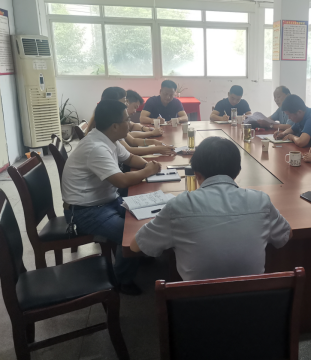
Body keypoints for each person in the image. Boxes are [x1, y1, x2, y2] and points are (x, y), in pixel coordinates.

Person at [130, 136, 292, 280]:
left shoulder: (178, 205)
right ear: (237, 172)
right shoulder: (261, 200)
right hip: (254, 301)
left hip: (197, 302)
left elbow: (136, 245)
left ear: (196, 174)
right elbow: (286, 234)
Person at [62, 100, 163, 295]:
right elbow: (121, 181)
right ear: (115, 125)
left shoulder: (108, 139)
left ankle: (138, 254)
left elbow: (130, 158)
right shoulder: (96, 147)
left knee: (145, 218)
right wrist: (148, 171)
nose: (130, 123)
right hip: (85, 212)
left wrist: (147, 165)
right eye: (127, 119)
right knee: (134, 234)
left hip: (106, 201)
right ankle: (122, 280)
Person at [89, 88, 174, 157]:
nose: (126, 104)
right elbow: (129, 151)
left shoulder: (111, 119)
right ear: (113, 104)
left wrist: (153, 141)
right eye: (125, 101)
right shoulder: (110, 126)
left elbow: (132, 139)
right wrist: (157, 149)